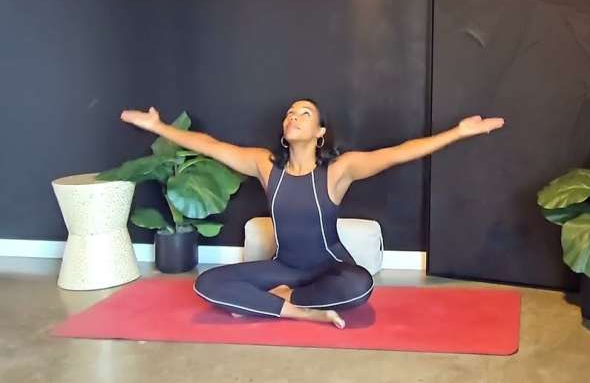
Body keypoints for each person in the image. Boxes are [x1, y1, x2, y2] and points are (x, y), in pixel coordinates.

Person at [118, 98, 504, 328]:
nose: (294, 117)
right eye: (290, 114)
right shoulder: (265, 166)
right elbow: (210, 145)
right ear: (284, 132)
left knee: (360, 285)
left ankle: (278, 300)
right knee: (207, 284)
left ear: (320, 132)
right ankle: (300, 311)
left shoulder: (338, 171)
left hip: (329, 268)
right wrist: (159, 127)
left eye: (304, 113)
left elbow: (398, 153)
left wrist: (458, 132)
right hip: (283, 266)